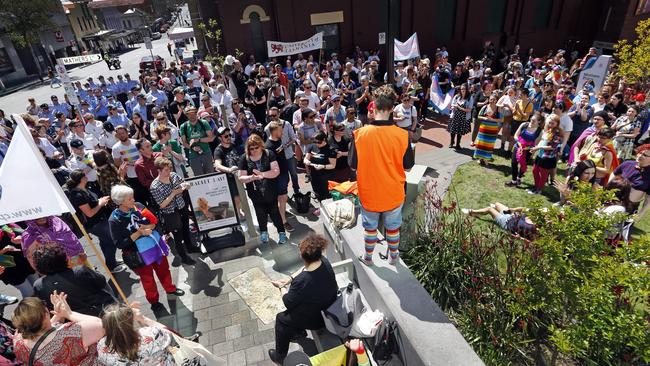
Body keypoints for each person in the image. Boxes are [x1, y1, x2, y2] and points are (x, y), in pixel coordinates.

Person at [348, 85, 415, 265]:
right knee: (393, 228)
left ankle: (368, 258)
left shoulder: (359, 134)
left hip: (369, 193)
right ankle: (394, 257)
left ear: (373, 106)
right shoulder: (403, 135)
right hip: (393, 193)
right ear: (393, 108)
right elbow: (408, 167)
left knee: (370, 228)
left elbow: (353, 166)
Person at [109, 185, 184, 311]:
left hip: (154, 246)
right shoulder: (114, 220)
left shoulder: (138, 206)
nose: (133, 200)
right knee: (147, 279)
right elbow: (119, 243)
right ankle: (154, 301)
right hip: (138, 253)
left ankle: (170, 288)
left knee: (164, 269)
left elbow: (154, 221)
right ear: (120, 201)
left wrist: (150, 227)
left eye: (132, 197)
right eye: (129, 199)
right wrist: (139, 233)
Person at [268, 234, 337, 364]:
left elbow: (287, 302)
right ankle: (297, 333)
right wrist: (290, 279)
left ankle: (280, 356)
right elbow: (305, 268)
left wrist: (282, 287)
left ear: (303, 256)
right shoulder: (324, 261)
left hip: (318, 319)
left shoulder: (302, 281)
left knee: (282, 319)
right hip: (330, 306)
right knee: (300, 305)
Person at [12, 292, 104, 365]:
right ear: (46, 313)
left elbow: (40, 330)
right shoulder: (69, 335)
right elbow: (101, 325)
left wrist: (57, 315)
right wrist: (68, 313)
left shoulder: (18, 343)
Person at [64, 170, 125, 273]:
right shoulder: (78, 195)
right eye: (85, 175)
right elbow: (89, 213)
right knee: (112, 241)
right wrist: (100, 204)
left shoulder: (84, 189)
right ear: (82, 179)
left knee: (105, 242)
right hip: (95, 224)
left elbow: (93, 203)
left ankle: (111, 262)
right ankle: (111, 266)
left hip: (100, 220)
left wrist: (100, 201)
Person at [31, 244, 116, 317]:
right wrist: (93, 271)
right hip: (105, 311)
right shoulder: (80, 271)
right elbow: (101, 282)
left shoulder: (39, 286)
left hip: (78, 323)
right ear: (63, 258)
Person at [238, 134, 287, 245]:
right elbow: (241, 177)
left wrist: (263, 174)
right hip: (255, 193)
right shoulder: (244, 158)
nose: (254, 150)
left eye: (256, 147)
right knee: (260, 213)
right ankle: (264, 232)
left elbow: (276, 171)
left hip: (271, 190)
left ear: (261, 146)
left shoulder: (269, 154)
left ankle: (281, 233)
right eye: (251, 148)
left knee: (275, 212)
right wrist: (252, 177)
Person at [150, 157, 196, 265]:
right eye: (166, 170)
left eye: (169, 169)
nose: (169, 172)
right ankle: (184, 257)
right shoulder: (155, 186)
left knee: (186, 229)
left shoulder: (174, 175)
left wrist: (186, 185)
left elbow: (184, 183)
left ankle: (190, 247)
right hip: (170, 213)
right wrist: (174, 193)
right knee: (177, 236)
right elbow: (161, 205)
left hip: (182, 207)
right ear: (159, 171)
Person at [97, 303, 178, 365]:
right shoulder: (151, 334)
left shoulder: (102, 347)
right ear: (131, 320)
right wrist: (142, 318)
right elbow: (170, 333)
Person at [264, 107, 300, 195]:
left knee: (294, 174)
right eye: (270, 116)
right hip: (279, 158)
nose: (272, 117)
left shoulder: (286, 124)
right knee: (284, 178)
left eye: (274, 115)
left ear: (279, 114)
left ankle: (296, 191)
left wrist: (285, 146)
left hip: (289, 154)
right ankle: (284, 193)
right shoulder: (268, 128)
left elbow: (293, 137)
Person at [265, 121, 294, 231]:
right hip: (277, 176)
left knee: (282, 197)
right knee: (282, 197)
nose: (282, 132)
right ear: (274, 131)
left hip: (284, 173)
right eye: (280, 130)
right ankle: (283, 221)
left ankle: (282, 211)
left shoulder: (279, 140)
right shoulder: (269, 147)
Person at [529, 114, 563, 194]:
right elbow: (542, 141)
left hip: (547, 157)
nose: (551, 121)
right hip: (540, 155)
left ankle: (539, 189)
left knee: (543, 174)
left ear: (557, 123)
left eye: (554, 120)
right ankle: (536, 187)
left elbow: (552, 147)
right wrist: (535, 148)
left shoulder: (557, 133)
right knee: (535, 171)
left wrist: (538, 148)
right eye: (550, 119)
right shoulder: (547, 130)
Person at [610, 144, 650, 214]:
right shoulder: (627, 164)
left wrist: (639, 215)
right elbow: (613, 175)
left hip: (628, 208)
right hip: (611, 200)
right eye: (640, 153)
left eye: (645, 155)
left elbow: (648, 200)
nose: (640, 156)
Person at [0, 224, 37, 298]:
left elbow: (25, 233)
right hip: (9, 269)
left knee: (37, 285)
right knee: (29, 293)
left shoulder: (7, 224)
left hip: (25, 262)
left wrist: (22, 237)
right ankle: (33, 308)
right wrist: (4, 250)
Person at [462, 203, 536, 239]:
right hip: (512, 215)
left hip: (507, 223)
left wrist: (520, 238)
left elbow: (532, 241)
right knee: (497, 204)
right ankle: (485, 212)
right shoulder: (535, 214)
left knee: (489, 209)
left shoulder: (536, 229)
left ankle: (471, 212)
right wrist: (513, 209)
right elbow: (523, 209)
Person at [506, 113, 542, 187]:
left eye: (534, 121)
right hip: (518, 146)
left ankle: (518, 177)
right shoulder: (524, 124)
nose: (531, 122)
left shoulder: (539, 131)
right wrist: (519, 144)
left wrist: (527, 148)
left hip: (528, 150)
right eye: (531, 120)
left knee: (523, 165)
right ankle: (514, 181)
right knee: (513, 163)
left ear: (539, 121)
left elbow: (536, 144)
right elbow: (516, 135)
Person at [304, 131, 337, 210]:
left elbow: (333, 165)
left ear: (324, 140)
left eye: (319, 142)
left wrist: (323, 166)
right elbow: (306, 157)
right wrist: (306, 161)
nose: (317, 144)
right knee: (318, 193)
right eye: (315, 142)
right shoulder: (312, 146)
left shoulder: (330, 150)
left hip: (326, 176)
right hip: (314, 175)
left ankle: (330, 209)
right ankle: (322, 208)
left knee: (327, 194)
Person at [180, 106, 215, 176]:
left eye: (193, 113)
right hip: (193, 155)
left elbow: (211, 138)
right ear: (186, 115)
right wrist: (192, 148)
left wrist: (198, 139)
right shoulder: (184, 126)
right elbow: (184, 143)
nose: (192, 116)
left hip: (206, 152)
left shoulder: (203, 123)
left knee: (210, 174)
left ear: (196, 114)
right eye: (189, 114)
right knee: (199, 176)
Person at [473, 94, 504, 165]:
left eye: (493, 100)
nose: (492, 101)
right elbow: (479, 116)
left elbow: (501, 120)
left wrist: (492, 119)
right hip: (483, 129)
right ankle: (480, 158)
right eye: (490, 99)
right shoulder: (485, 107)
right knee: (481, 144)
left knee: (489, 145)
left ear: (496, 100)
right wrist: (485, 118)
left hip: (492, 130)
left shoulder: (498, 109)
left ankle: (486, 159)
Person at [448, 84, 472, 149]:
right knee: (452, 130)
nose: (463, 90)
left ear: (467, 89)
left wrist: (460, 108)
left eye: (464, 89)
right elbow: (452, 105)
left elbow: (469, 109)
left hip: (463, 116)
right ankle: (451, 142)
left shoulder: (469, 97)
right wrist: (453, 107)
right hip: (455, 115)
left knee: (460, 131)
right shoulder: (456, 96)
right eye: (462, 89)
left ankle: (458, 144)